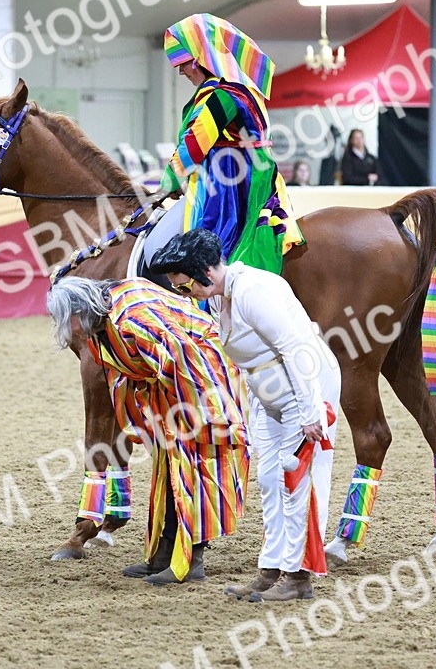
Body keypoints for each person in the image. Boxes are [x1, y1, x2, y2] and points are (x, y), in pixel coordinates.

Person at [152, 229, 339, 601]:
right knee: (269, 480)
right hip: (268, 395)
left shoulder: (253, 292)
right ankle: (271, 569)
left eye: (183, 283)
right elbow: (250, 360)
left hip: (303, 386)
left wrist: (310, 411)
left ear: (205, 270)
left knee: (295, 481)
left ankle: (298, 577)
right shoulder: (218, 297)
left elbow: (295, 349)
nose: (181, 292)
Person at [45, 275, 249, 586]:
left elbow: (183, 358)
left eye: (62, 318)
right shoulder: (102, 327)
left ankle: (191, 561)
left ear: (78, 312)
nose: (62, 327)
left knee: (192, 468)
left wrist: (195, 415)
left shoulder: (133, 320)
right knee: (167, 470)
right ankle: (162, 555)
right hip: (172, 385)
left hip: (198, 381)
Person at [159, 13, 299, 274]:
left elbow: (194, 146)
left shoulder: (222, 96)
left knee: (207, 256)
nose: (180, 71)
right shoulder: (243, 89)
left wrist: (167, 183)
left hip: (230, 187)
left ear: (200, 58)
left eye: (183, 63)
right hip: (250, 174)